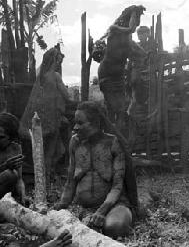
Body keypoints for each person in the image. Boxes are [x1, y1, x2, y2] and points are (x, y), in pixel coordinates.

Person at [54, 101, 139, 239]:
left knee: (114, 228)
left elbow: (117, 186)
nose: (75, 127)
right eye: (75, 122)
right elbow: (70, 182)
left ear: (96, 123)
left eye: (80, 123)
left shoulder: (113, 143)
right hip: (84, 208)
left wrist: (102, 211)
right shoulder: (74, 143)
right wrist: (61, 206)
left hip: (114, 206)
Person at [21, 45, 73, 180]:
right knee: (51, 149)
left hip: (41, 118)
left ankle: (48, 174)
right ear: (54, 61)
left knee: (48, 148)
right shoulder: (55, 76)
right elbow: (66, 96)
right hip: (52, 118)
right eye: (58, 61)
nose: (59, 63)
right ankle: (47, 176)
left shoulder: (41, 76)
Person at [0, 112, 26, 203]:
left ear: (11, 138)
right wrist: (4, 166)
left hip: (4, 193)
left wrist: (23, 197)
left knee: (13, 174)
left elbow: (19, 179)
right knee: (9, 174)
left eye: (0, 137)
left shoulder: (15, 148)